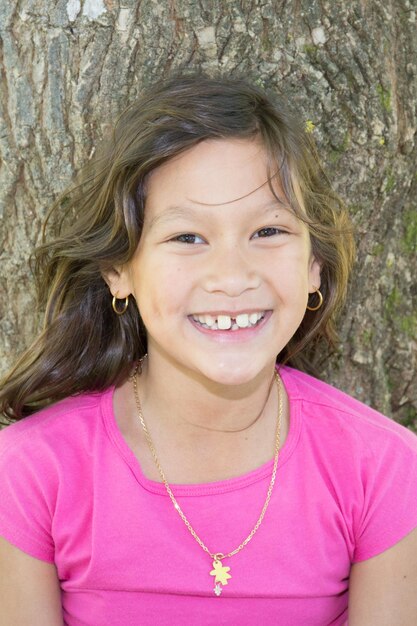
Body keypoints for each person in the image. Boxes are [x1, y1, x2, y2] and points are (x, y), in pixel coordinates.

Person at [0, 72, 416, 626]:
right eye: (187, 237)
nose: (231, 276)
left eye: (268, 232)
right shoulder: (32, 473)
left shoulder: (383, 469)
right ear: (119, 269)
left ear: (314, 264)